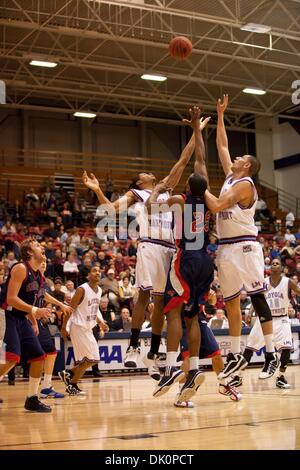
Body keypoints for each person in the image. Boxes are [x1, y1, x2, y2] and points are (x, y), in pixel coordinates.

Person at [82, 127, 200, 378]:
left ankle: (154, 353)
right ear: (140, 182)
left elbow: (184, 159)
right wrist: (97, 189)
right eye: (145, 173)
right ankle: (133, 347)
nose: (150, 173)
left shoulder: (167, 189)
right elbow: (110, 210)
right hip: (149, 244)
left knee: (161, 303)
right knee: (144, 295)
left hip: (169, 248)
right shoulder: (136, 194)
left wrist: (196, 130)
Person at [204, 94, 278, 381]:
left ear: (246, 166)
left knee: (258, 298)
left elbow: (219, 205)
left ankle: (270, 355)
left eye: (240, 158)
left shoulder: (245, 184)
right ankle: (236, 355)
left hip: (245, 245)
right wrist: (221, 115)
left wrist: (200, 190)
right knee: (231, 302)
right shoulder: (230, 178)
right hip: (225, 248)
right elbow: (221, 145)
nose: (234, 157)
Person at [150, 107, 214, 401]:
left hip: (185, 258)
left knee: (173, 309)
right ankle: (196, 367)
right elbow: (201, 159)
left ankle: (174, 365)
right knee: (194, 316)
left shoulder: (180, 199)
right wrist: (198, 130)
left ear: (187, 187)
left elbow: (152, 208)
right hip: (205, 260)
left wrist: (158, 189)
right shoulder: (208, 199)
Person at [230, 258, 300, 389]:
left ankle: (281, 377)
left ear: (282, 268)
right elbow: (257, 300)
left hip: (282, 319)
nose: (274, 264)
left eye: (277, 263)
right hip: (264, 319)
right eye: (272, 263)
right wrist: (250, 312)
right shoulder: (264, 282)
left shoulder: (288, 282)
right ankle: (238, 377)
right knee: (249, 348)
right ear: (270, 268)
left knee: (286, 349)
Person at [0, 239, 52, 412]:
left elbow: (27, 300)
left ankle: (31, 398)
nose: (42, 247)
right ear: (29, 253)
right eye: (38, 245)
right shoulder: (21, 268)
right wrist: (36, 310)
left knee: (39, 356)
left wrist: (34, 319)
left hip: (21, 318)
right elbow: (11, 299)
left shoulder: (39, 275)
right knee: (10, 358)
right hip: (6, 314)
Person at [58, 266, 106, 395]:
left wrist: (100, 323)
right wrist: (64, 327)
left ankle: (69, 373)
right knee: (88, 360)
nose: (97, 273)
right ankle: (72, 384)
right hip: (78, 327)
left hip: (89, 328)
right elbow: (70, 310)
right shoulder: (81, 289)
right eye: (94, 271)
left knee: (94, 359)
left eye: (99, 271)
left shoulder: (100, 290)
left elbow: (93, 310)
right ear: (88, 275)